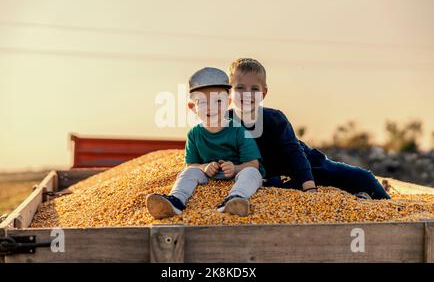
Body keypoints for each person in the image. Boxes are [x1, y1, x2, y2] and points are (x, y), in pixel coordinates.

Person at [227, 58, 390, 200]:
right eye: (240, 88)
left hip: (306, 167)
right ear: (229, 92)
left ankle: (391, 206)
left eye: (254, 89)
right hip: (271, 178)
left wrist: (310, 187)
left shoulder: (275, 119)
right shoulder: (222, 123)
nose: (247, 94)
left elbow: (295, 153)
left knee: (363, 178)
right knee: (274, 183)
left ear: (263, 93)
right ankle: (359, 197)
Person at [146, 67, 266, 219]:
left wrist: (235, 168)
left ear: (228, 102)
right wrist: (204, 168)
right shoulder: (194, 134)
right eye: (202, 102)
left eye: (218, 101)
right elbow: (191, 165)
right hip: (209, 176)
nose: (211, 107)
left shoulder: (238, 131)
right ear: (193, 107)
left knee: (252, 173)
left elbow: (253, 163)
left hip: (238, 173)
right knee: (188, 173)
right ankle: (175, 201)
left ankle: (236, 199)